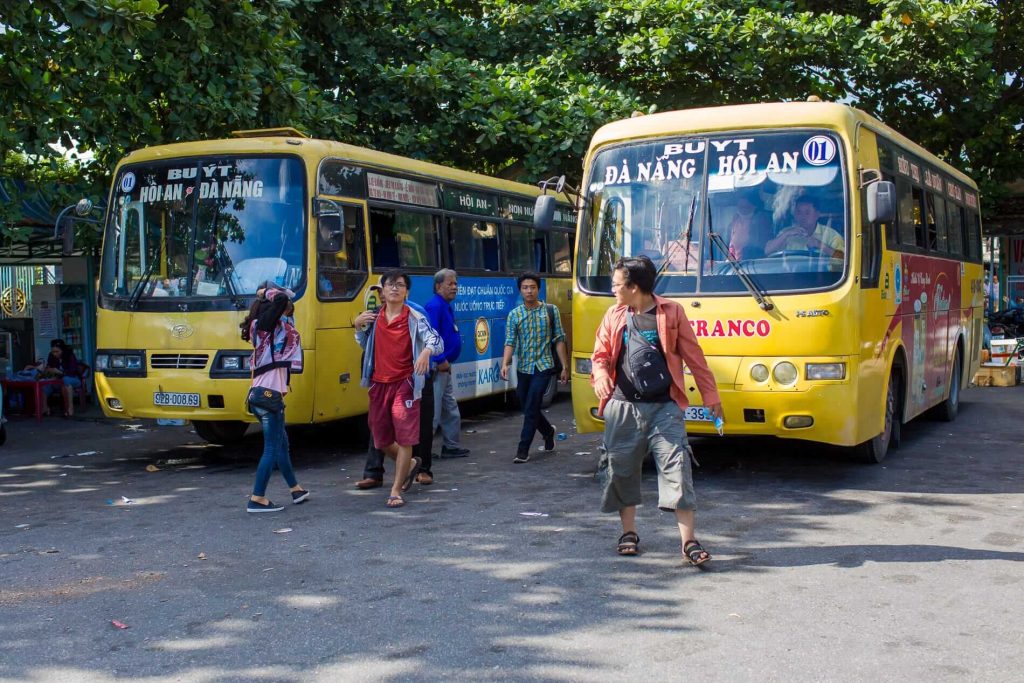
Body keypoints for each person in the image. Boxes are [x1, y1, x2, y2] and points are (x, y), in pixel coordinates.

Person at [591, 255, 721, 566]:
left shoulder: (671, 312)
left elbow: (694, 356)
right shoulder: (614, 314)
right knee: (621, 470)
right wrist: (601, 375)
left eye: (617, 285)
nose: (613, 290)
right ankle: (629, 533)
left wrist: (711, 394)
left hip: (665, 406)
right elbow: (600, 354)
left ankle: (688, 541)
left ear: (634, 287)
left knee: (678, 467)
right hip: (622, 406)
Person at [354, 269, 443, 508]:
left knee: (405, 437)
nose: (394, 288)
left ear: (407, 291)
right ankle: (411, 465)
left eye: (400, 285)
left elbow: (436, 340)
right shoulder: (374, 317)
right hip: (379, 384)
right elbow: (364, 343)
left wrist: (425, 351)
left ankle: (395, 490)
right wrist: (357, 326)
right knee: (380, 439)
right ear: (382, 290)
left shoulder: (414, 316)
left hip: (405, 383)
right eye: (390, 284)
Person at [241, 286, 309, 513]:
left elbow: (288, 309)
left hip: (262, 394)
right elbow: (280, 299)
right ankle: (257, 498)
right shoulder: (265, 328)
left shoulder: (266, 330)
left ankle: (296, 489)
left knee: (281, 444)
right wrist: (266, 292)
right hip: (268, 395)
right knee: (271, 449)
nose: (286, 314)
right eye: (282, 311)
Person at [500, 272, 569, 463]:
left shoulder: (550, 310)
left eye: (532, 287)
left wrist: (564, 366)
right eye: (525, 288)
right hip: (523, 367)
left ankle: (522, 451)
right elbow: (510, 341)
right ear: (520, 291)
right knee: (528, 407)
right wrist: (505, 363)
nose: (529, 291)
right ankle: (548, 432)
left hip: (544, 365)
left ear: (538, 289)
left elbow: (559, 339)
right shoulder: (515, 315)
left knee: (531, 407)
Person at [426, 269, 470, 460]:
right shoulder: (435, 306)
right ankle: (423, 452)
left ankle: (451, 446)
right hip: (438, 366)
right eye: (450, 284)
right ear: (438, 286)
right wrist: (440, 360)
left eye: (455, 284)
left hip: (445, 367)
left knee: (450, 408)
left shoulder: (444, 305)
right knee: (434, 413)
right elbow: (430, 336)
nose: (454, 287)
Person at [764, 195, 844, 260]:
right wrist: (786, 234)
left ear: (817, 214)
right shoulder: (786, 233)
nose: (802, 217)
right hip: (790, 277)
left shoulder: (831, 235)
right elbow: (767, 251)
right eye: (798, 212)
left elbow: (844, 260)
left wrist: (819, 245)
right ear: (794, 214)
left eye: (807, 213)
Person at [727, 190, 772, 260]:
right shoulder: (735, 221)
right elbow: (730, 248)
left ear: (755, 206)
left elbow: (763, 248)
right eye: (740, 207)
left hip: (752, 266)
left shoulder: (761, 221)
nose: (742, 210)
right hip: (735, 266)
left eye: (746, 207)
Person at [44, 339, 82, 418]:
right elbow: (49, 366)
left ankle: (70, 409)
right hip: (58, 379)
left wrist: (60, 372)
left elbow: (72, 372)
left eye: (57, 351)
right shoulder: (51, 356)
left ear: (62, 350)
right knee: (45, 384)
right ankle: (45, 409)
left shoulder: (70, 356)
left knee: (66, 380)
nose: (55, 354)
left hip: (73, 379)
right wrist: (48, 370)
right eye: (53, 352)